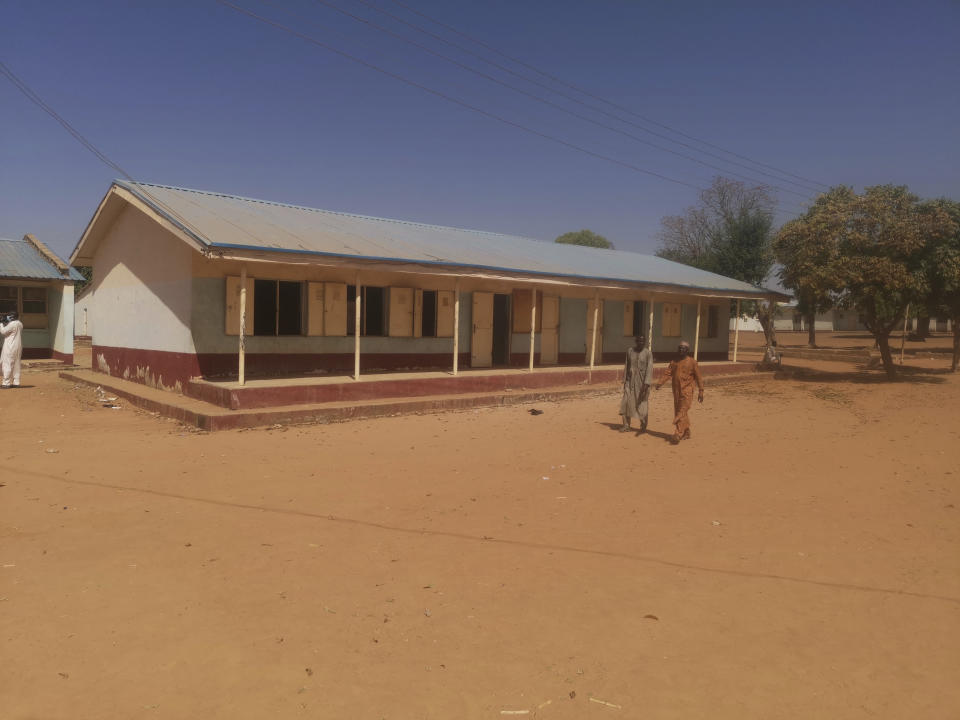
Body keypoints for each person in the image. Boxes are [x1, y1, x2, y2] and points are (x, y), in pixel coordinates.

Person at [655, 340, 704, 444]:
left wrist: (701, 391)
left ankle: (678, 433)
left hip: (687, 391)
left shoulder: (692, 362)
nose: (681, 350)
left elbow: (699, 377)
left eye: (683, 348)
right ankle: (686, 432)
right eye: (679, 348)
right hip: (676, 391)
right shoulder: (674, 361)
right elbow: (668, 373)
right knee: (680, 411)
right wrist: (660, 383)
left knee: (682, 411)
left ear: (687, 350)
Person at [619, 334, 653, 433]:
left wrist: (646, 384)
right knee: (625, 402)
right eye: (639, 341)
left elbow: (649, 369)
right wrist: (625, 380)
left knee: (641, 404)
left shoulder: (648, 353)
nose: (640, 343)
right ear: (636, 341)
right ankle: (626, 425)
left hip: (642, 383)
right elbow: (627, 365)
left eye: (642, 341)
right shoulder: (630, 351)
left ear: (645, 342)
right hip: (630, 382)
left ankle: (643, 425)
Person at [1, 311, 24, 388]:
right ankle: (16, 382)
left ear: (12, 317)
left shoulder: (12, 324)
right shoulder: (20, 324)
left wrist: (1, 323)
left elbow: (3, 331)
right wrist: (6, 323)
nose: (7, 317)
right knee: (16, 364)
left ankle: (6, 383)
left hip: (10, 346)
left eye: (8, 316)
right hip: (18, 346)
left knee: (7, 363)